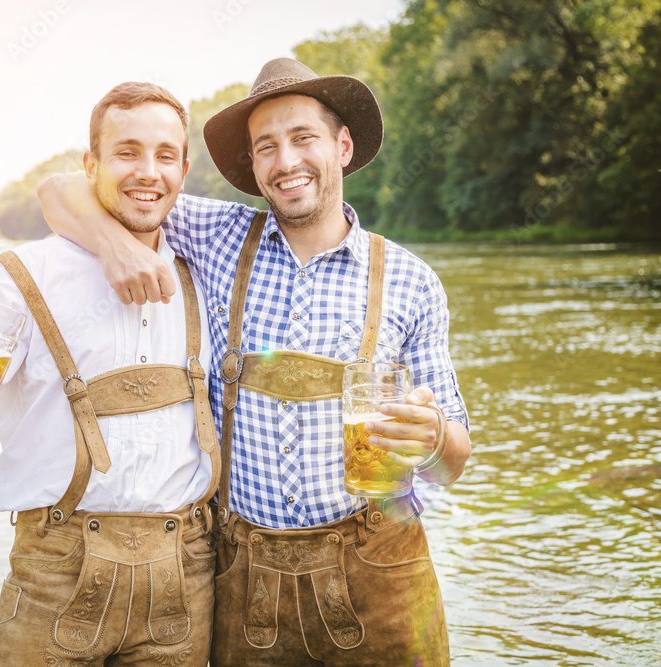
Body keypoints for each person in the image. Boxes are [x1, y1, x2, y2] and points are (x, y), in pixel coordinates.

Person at [38, 58, 472, 666]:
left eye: (302, 139)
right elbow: (59, 190)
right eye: (266, 147)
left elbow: (452, 466)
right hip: (244, 581)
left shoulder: (411, 281)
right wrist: (113, 248)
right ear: (252, 166)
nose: (286, 161)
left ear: (342, 146)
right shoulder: (214, 235)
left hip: (384, 574)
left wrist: (430, 439)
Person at [0, 82, 221, 666]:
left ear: (183, 167)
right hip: (53, 576)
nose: (148, 171)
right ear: (90, 165)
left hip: (185, 575)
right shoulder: (17, 277)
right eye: (126, 152)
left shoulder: (206, 264)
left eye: (164, 155)